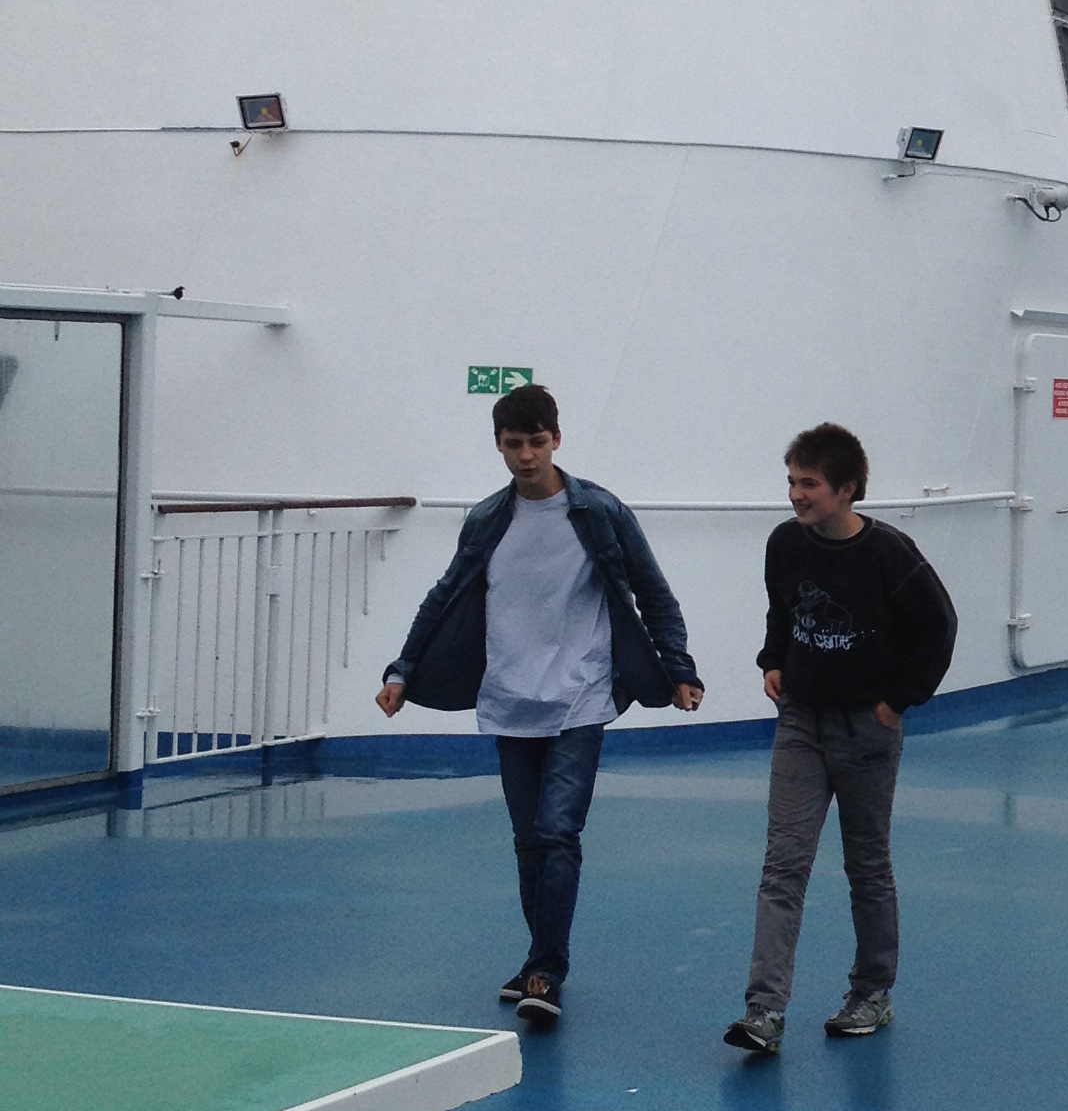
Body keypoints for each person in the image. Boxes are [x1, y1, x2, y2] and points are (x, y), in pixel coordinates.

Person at [379, 385, 703, 1028]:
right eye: (513, 444)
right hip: (509, 697)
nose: (526, 455)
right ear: (498, 446)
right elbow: (443, 597)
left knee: (558, 832)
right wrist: (402, 671)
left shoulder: (599, 512)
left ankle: (546, 971)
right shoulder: (486, 521)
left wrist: (679, 668)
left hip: (582, 694)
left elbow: (651, 591)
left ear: (557, 438)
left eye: (536, 441)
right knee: (528, 841)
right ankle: (538, 959)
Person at [723, 421, 957, 1057]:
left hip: (865, 730)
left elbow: (938, 627)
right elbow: (782, 609)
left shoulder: (889, 554)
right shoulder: (785, 543)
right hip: (801, 721)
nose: (796, 495)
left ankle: (872, 991)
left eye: (810, 484)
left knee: (866, 864)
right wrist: (774, 660)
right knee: (783, 865)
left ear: (847, 489)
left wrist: (897, 700)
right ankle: (764, 1010)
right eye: (792, 482)